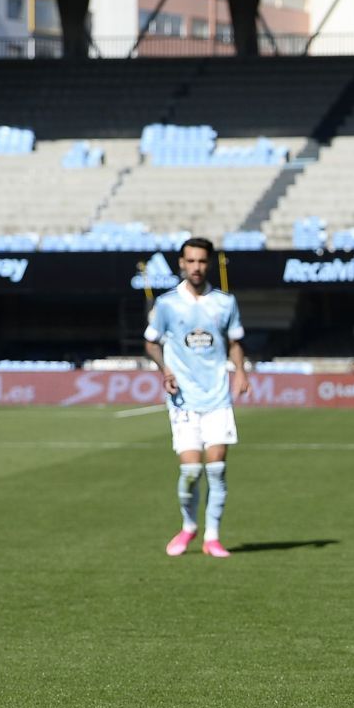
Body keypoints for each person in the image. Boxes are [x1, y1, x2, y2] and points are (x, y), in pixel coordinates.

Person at [144, 236, 248, 557]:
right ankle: (189, 526)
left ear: (209, 263)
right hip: (183, 399)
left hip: (217, 396)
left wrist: (241, 371)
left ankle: (212, 536)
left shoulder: (224, 303)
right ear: (181, 263)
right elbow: (151, 342)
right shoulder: (166, 304)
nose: (196, 267)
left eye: (202, 261)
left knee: (216, 468)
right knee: (190, 472)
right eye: (190, 261)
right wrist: (164, 368)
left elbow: (234, 341)